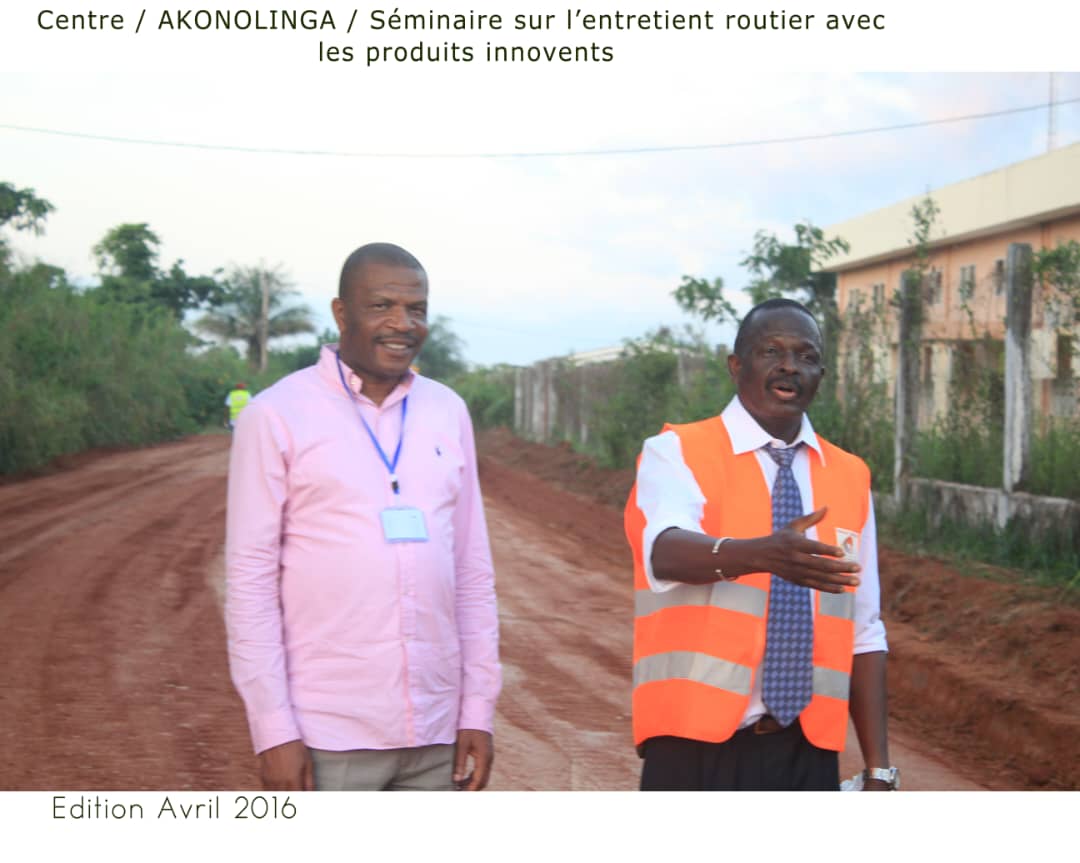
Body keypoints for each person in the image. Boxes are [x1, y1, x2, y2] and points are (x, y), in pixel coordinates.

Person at [225, 242, 501, 791]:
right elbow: (250, 580)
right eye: (382, 306)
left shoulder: (447, 410)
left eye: (416, 309)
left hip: (436, 732)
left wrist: (476, 709)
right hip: (328, 733)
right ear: (341, 312)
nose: (402, 323)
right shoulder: (276, 415)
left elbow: (472, 572)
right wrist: (273, 729)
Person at [624, 298, 897, 791]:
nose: (790, 365)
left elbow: (864, 628)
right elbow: (663, 552)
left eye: (806, 356)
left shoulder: (850, 476)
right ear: (736, 365)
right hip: (692, 746)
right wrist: (760, 555)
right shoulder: (677, 451)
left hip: (807, 751)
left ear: (820, 375)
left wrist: (879, 768)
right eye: (772, 351)